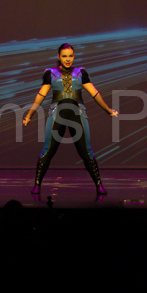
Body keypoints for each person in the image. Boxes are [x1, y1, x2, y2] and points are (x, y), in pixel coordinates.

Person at [22, 43, 119, 195]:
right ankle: (37, 185)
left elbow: (94, 93)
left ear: (74, 56)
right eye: (64, 56)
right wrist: (30, 114)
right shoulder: (50, 73)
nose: (68, 59)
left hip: (77, 115)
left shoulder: (81, 72)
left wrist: (108, 110)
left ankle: (99, 185)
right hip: (57, 115)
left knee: (86, 152)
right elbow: (41, 95)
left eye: (70, 56)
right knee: (47, 152)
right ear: (58, 57)